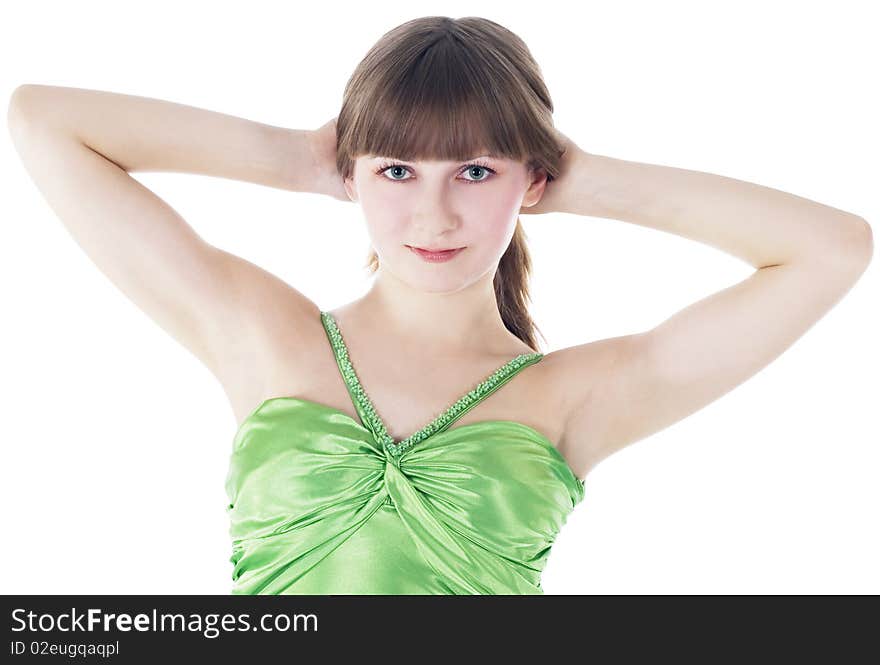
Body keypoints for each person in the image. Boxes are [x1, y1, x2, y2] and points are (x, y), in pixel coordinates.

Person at [8, 16, 872, 594]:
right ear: (351, 175)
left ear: (530, 177)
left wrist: (570, 176)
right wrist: (308, 157)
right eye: (396, 172)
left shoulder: (576, 395)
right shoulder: (263, 335)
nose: (433, 215)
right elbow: (42, 120)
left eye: (474, 171)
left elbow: (832, 247)